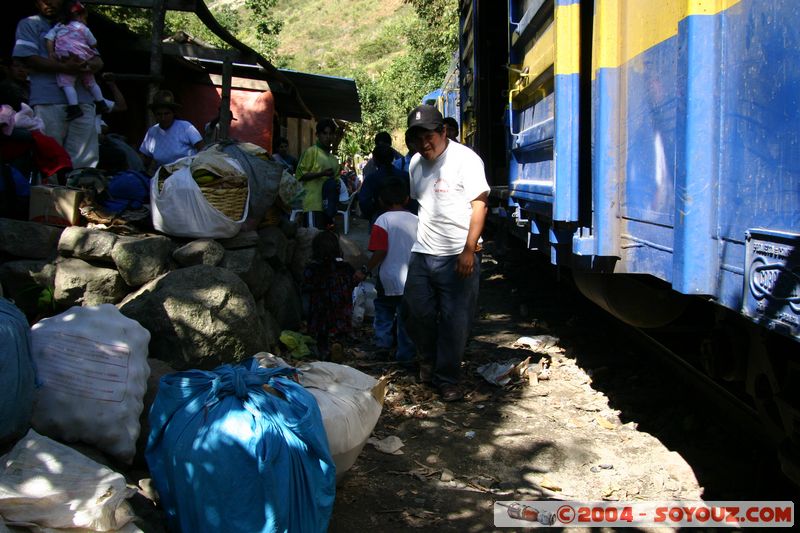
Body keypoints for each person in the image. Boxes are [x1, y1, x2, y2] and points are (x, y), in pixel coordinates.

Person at [401, 104, 490, 402]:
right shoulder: (415, 164)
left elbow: (480, 205)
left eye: (429, 136)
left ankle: (447, 378)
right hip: (423, 253)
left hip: (458, 254)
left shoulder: (466, 160)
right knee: (415, 312)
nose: (424, 144)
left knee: (455, 321)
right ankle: (428, 360)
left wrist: (469, 250)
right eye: (417, 138)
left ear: (443, 131)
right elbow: (420, 204)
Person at [13, 0, 104, 168]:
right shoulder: (29, 24)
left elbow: (98, 60)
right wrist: (65, 67)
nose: (48, 2)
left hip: (83, 100)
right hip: (48, 100)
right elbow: (28, 57)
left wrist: (87, 65)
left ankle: (79, 193)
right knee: (50, 161)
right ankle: (50, 195)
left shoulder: (78, 26)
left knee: (84, 163)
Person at [357, 178, 418, 363]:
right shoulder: (417, 219)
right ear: (407, 199)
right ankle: (405, 355)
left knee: (384, 311)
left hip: (388, 277)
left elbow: (380, 251)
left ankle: (382, 346)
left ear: (381, 201)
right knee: (406, 317)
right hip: (413, 278)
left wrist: (366, 269)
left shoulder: (382, 221)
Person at [44, 1, 109, 122]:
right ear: (79, 16)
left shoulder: (58, 26)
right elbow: (94, 43)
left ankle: (74, 107)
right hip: (83, 59)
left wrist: (51, 53)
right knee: (91, 82)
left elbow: (49, 39)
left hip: (66, 58)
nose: (86, 20)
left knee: (67, 84)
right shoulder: (83, 28)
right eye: (85, 18)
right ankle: (101, 102)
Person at [302, 230, 357, 360]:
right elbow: (352, 283)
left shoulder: (312, 269)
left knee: (322, 334)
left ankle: (324, 351)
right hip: (341, 310)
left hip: (320, 311)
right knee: (339, 331)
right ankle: (338, 345)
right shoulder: (345, 268)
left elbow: (306, 286)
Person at [139, 90, 204, 172]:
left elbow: (201, 148)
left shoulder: (185, 127)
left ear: (173, 113)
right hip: (163, 175)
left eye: (167, 114)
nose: (163, 118)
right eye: (159, 114)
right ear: (155, 115)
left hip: (187, 172)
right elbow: (145, 157)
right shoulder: (152, 132)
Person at [295, 119, 340, 229]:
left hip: (328, 208)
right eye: (324, 133)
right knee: (312, 239)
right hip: (312, 205)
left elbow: (336, 181)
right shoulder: (311, 152)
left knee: (323, 242)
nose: (327, 137)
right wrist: (321, 174)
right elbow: (300, 175)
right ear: (317, 135)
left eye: (330, 134)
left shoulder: (334, 160)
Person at [358, 143, 415, 224]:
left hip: (379, 215)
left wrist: (371, 213)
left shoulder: (372, 178)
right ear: (392, 158)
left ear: (375, 160)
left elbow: (364, 201)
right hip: (404, 216)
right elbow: (413, 197)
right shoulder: (404, 175)